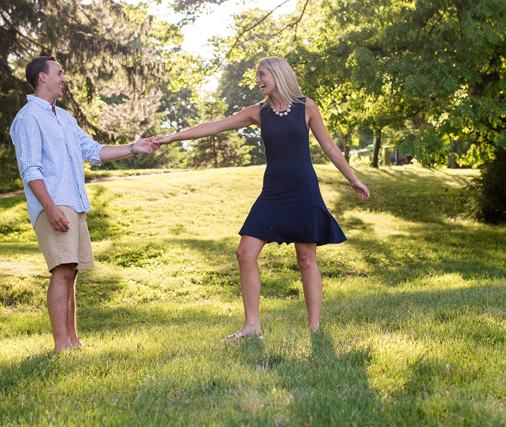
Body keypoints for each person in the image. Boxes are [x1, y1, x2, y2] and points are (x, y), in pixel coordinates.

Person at [154, 56, 369, 340]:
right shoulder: (258, 112)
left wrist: (353, 180)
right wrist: (172, 137)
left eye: (261, 75)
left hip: (303, 188)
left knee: (306, 258)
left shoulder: (306, 106)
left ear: (278, 75)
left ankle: (314, 328)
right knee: (245, 252)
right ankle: (252, 327)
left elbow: (329, 147)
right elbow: (215, 126)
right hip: (273, 191)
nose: (257, 81)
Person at [10, 56, 158, 352]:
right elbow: (30, 170)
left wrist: (134, 147)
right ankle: (61, 345)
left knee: (71, 271)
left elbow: (92, 151)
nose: (64, 78)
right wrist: (50, 208)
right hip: (53, 202)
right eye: (59, 72)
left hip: (75, 202)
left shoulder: (65, 118)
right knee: (62, 269)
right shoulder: (27, 118)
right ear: (43, 77)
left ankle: (72, 341)